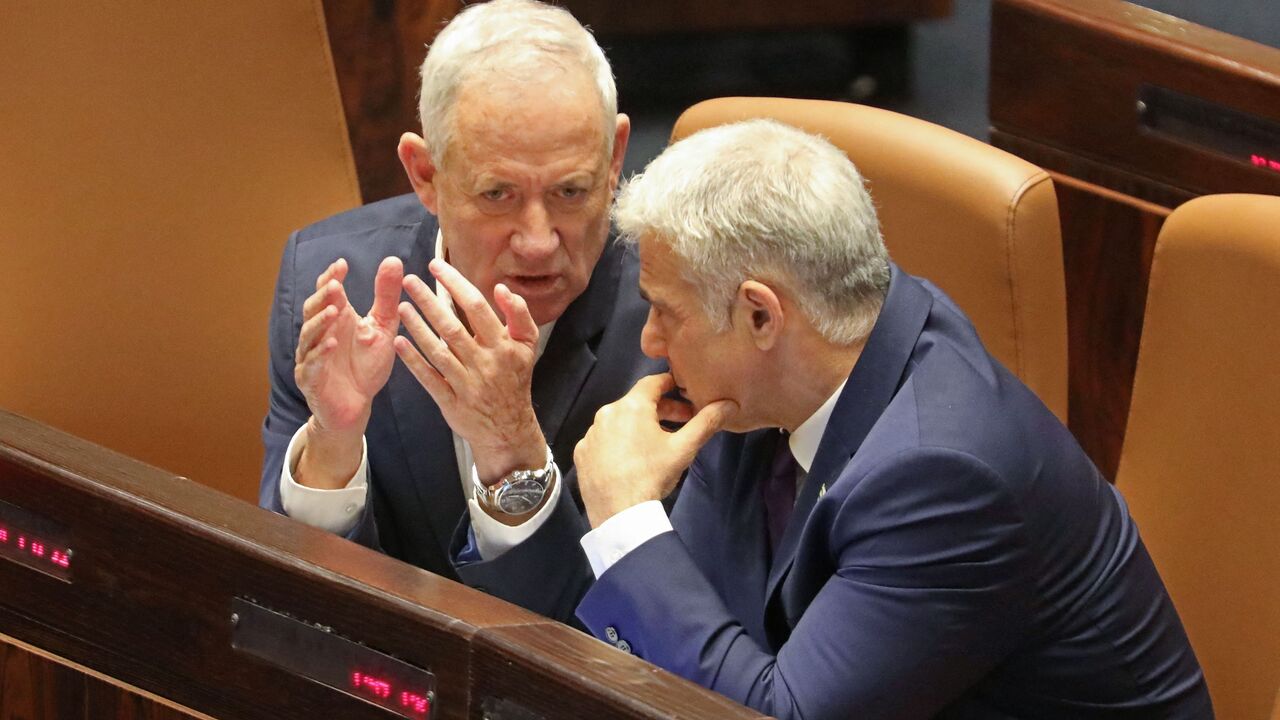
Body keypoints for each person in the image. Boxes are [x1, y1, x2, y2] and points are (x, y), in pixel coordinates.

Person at [456, 119, 1214, 718]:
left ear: (760, 314)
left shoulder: (947, 474)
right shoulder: (786, 375)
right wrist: (512, 456)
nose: (648, 342)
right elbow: (646, 638)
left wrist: (626, 524)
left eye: (665, 312)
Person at [258, 0, 660, 592]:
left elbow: (641, 626)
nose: (539, 240)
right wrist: (334, 441)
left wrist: (512, 454)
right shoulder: (330, 282)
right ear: (425, 174)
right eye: (498, 194)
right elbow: (293, 597)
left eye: (571, 191)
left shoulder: (672, 320)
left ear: (616, 157)